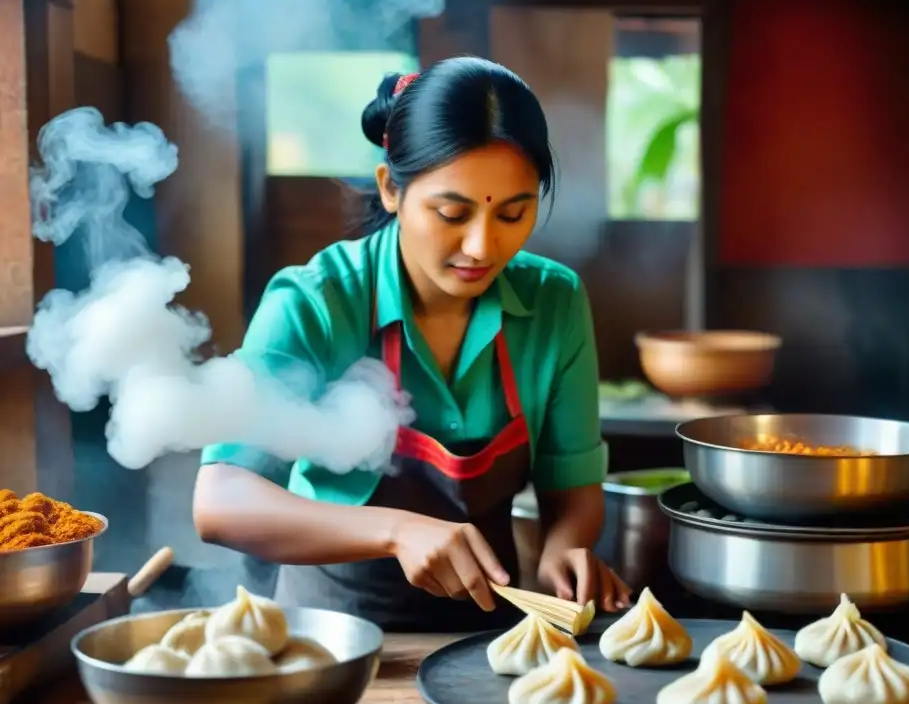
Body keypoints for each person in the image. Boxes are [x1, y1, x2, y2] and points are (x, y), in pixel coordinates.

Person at [193, 56, 631, 632]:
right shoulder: (316, 302)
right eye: (452, 212)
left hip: (487, 629)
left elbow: (572, 489)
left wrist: (563, 548)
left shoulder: (555, 300)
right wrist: (394, 531)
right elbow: (220, 501)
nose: (481, 246)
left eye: (515, 213)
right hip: (333, 633)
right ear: (391, 190)